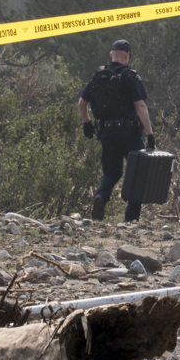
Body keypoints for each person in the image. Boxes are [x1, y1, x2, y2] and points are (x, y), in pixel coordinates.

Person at [77, 38, 154, 222]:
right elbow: (140, 106)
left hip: (107, 133)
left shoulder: (98, 76)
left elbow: (81, 103)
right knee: (137, 171)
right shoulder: (130, 75)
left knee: (111, 172)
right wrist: (150, 134)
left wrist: (87, 123)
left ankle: (101, 197)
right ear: (127, 56)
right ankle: (131, 218)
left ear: (111, 55)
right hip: (129, 132)